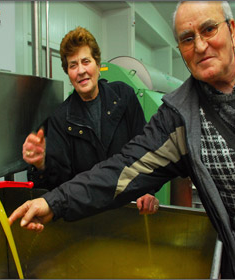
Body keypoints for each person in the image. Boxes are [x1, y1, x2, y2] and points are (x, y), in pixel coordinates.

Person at [9, 2, 235, 279]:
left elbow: (136, 154)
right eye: (187, 39)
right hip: (93, 219)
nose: (201, 46)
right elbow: (129, 165)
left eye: (209, 29)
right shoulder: (179, 118)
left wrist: (144, 189)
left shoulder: (124, 95)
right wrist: (51, 192)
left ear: (231, 29)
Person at [22, 26, 159, 215]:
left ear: (97, 63)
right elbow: (58, 182)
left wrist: (148, 190)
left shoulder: (124, 96)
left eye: (86, 61)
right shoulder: (60, 118)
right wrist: (41, 165)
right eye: (73, 65)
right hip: (86, 215)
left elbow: (144, 151)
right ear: (68, 73)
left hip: (129, 208)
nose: (81, 71)